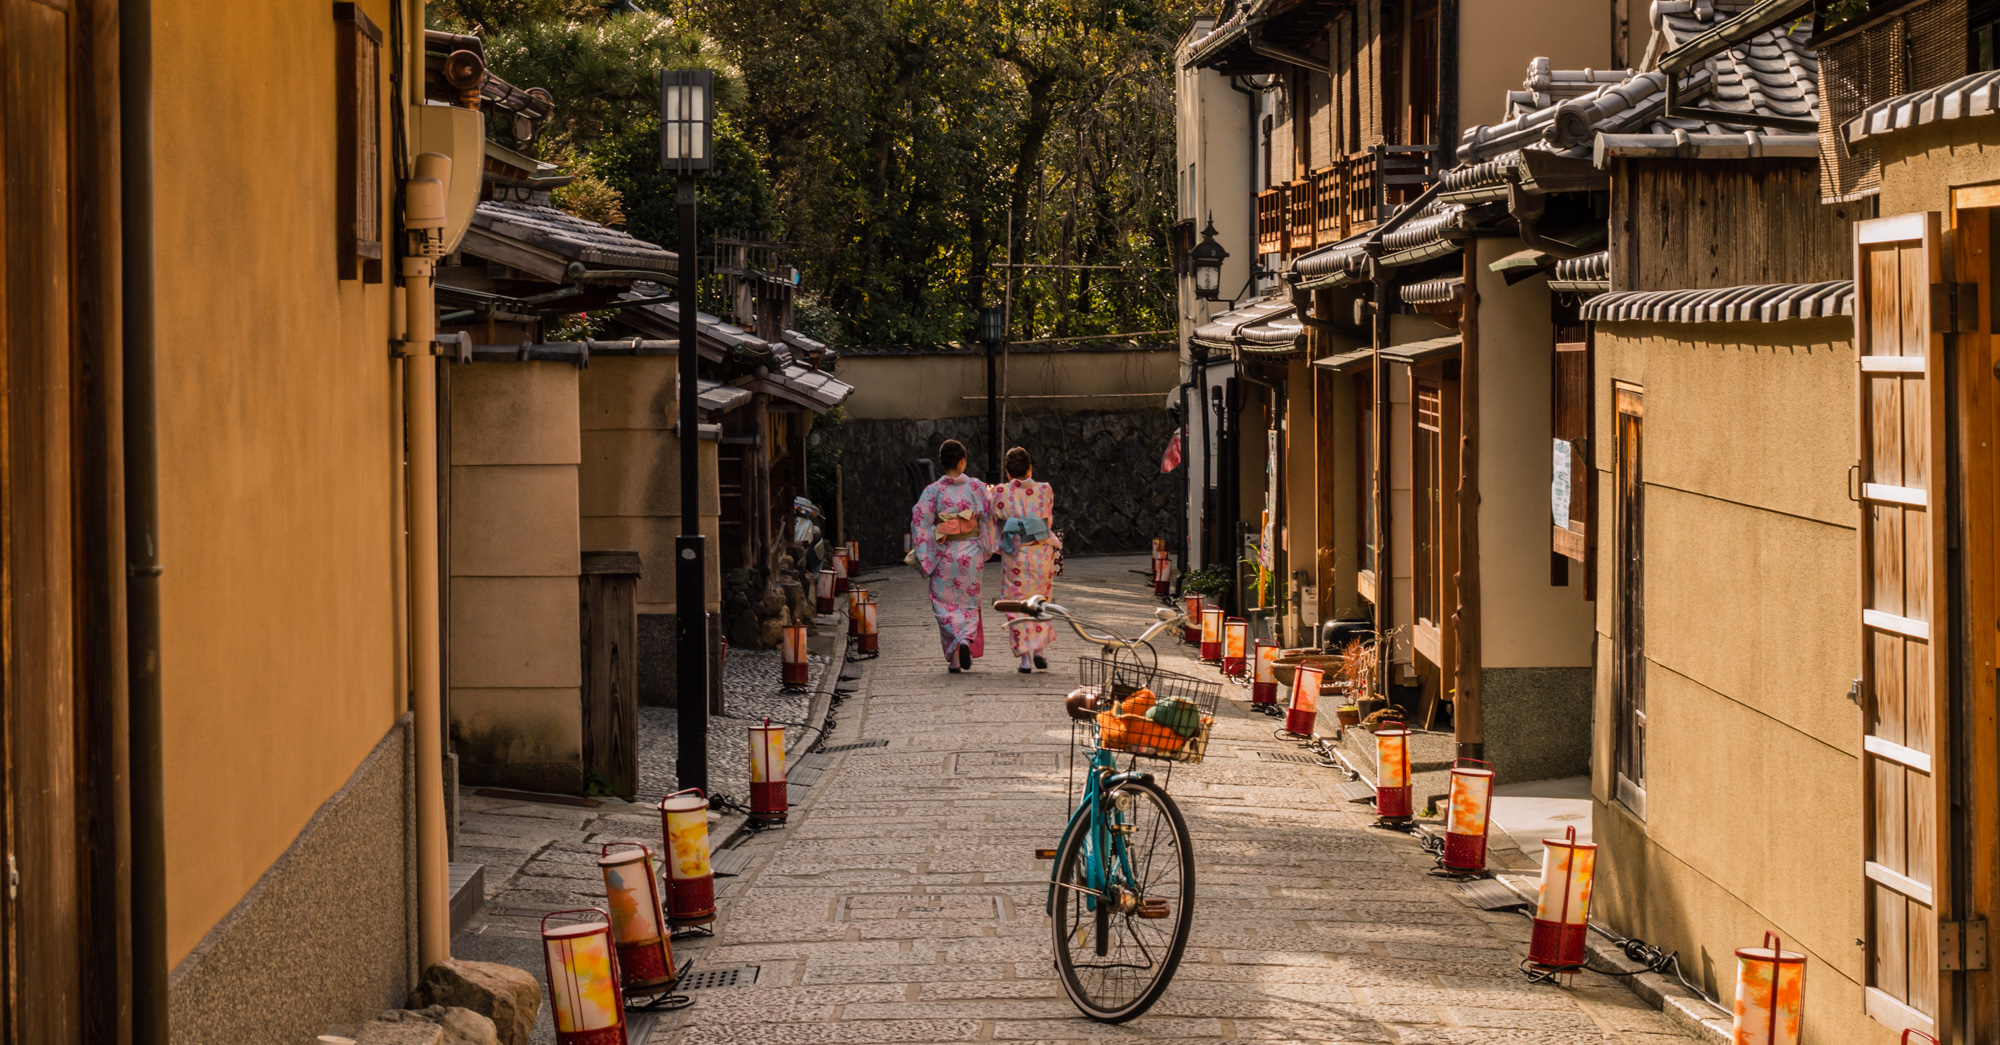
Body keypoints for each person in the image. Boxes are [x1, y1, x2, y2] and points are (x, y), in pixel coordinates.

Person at [909, 439, 995, 672]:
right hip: (971, 555)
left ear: (942, 463)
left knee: (943, 604)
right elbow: (989, 513)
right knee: (968, 602)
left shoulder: (933, 491)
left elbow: (919, 520)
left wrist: (927, 551)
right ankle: (965, 639)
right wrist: (986, 545)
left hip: (945, 555)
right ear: (963, 462)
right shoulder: (976, 487)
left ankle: (956, 657)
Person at [993, 447, 1059, 673]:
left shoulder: (1001, 492)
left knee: (1017, 605)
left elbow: (994, 518)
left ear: (1008, 472)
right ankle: (1039, 650)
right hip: (1041, 554)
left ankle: (1025, 661)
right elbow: (1047, 520)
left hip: (1016, 556)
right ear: (1030, 468)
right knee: (1040, 600)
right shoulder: (1045, 490)